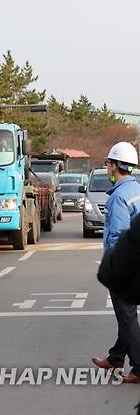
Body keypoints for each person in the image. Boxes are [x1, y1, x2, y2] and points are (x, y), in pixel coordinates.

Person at [92, 141, 140, 384]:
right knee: (127, 314)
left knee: (126, 315)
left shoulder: (118, 197)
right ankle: (116, 358)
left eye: (109, 163)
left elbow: (118, 237)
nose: (107, 167)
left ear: (115, 166)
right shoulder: (137, 190)